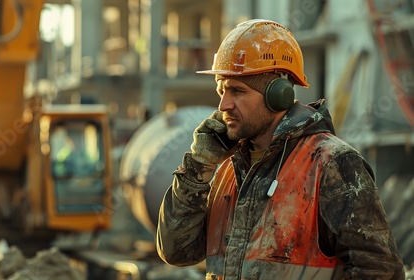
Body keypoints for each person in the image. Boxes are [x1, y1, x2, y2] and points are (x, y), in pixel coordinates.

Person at [155, 19, 405, 279]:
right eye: (221, 90)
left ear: (279, 95)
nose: (224, 105)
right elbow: (177, 252)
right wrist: (199, 165)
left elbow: (380, 271)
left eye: (237, 91)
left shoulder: (332, 164)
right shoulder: (227, 168)